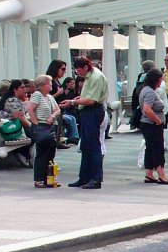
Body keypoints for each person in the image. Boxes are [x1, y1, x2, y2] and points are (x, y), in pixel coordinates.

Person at [64, 56, 108, 190]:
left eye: (79, 70)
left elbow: (92, 100)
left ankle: (95, 178)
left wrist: (73, 102)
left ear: (86, 67)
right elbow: (87, 97)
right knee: (86, 145)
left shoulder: (96, 77)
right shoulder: (89, 77)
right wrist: (79, 99)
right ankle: (84, 177)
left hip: (93, 111)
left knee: (94, 145)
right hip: (87, 111)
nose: (78, 73)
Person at [26, 75, 62, 188]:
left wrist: (52, 116)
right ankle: (39, 179)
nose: (51, 85)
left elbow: (57, 109)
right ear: (41, 85)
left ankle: (49, 178)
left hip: (51, 126)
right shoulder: (37, 95)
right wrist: (35, 122)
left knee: (51, 152)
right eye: (48, 83)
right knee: (42, 153)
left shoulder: (50, 97)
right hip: (41, 125)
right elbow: (30, 109)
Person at [140, 68, 168, 184]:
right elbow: (147, 109)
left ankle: (149, 173)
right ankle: (162, 175)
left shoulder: (145, 90)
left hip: (147, 124)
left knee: (149, 149)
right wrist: (158, 120)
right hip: (152, 124)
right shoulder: (150, 92)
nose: (161, 81)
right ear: (155, 80)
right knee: (157, 149)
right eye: (160, 79)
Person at [0, 79, 33, 167]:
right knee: (36, 135)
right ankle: (25, 155)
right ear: (15, 90)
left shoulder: (8, 98)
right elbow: (20, 119)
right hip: (12, 131)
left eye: (26, 87)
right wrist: (34, 127)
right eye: (22, 87)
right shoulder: (13, 101)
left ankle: (24, 155)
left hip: (9, 128)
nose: (25, 89)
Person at [46, 59, 79, 147]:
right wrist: (58, 93)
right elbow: (46, 98)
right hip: (54, 110)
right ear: (56, 69)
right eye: (63, 69)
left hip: (60, 109)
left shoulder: (57, 82)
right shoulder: (51, 82)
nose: (64, 72)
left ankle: (62, 139)